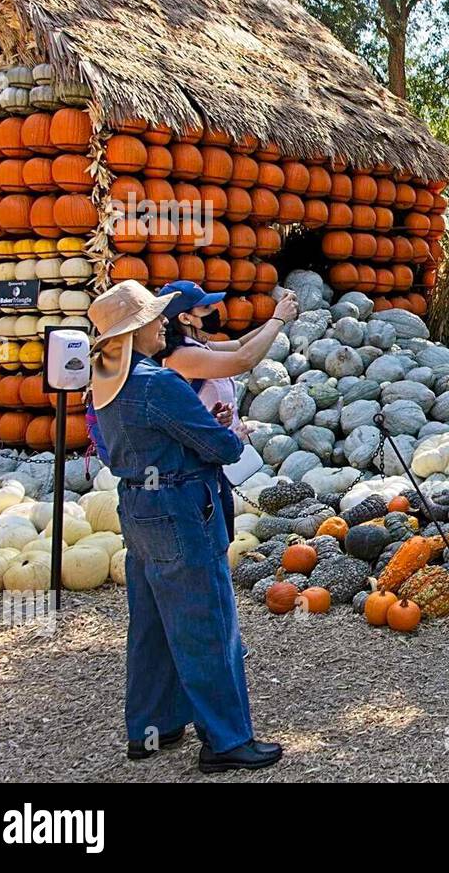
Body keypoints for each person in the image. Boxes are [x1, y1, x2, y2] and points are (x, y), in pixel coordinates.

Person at [88, 281, 282, 774]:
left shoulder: (107, 374)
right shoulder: (158, 384)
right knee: (208, 622)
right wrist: (231, 433)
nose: (162, 324)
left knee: (150, 621)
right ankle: (226, 739)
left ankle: (153, 727)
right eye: (153, 320)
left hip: (137, 506)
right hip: (181, 508)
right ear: (134, 333)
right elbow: (221, 448)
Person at [156, 281, 300, 540]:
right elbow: (243, 360)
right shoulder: (181, 356)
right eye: (205, 308)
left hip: (214, 461)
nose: (214, 310)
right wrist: (278, 320)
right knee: (209, 540)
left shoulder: (201, 346)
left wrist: (276, 318)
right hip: (194, 469)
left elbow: (239, 344)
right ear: (185, 317)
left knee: (221, 539)